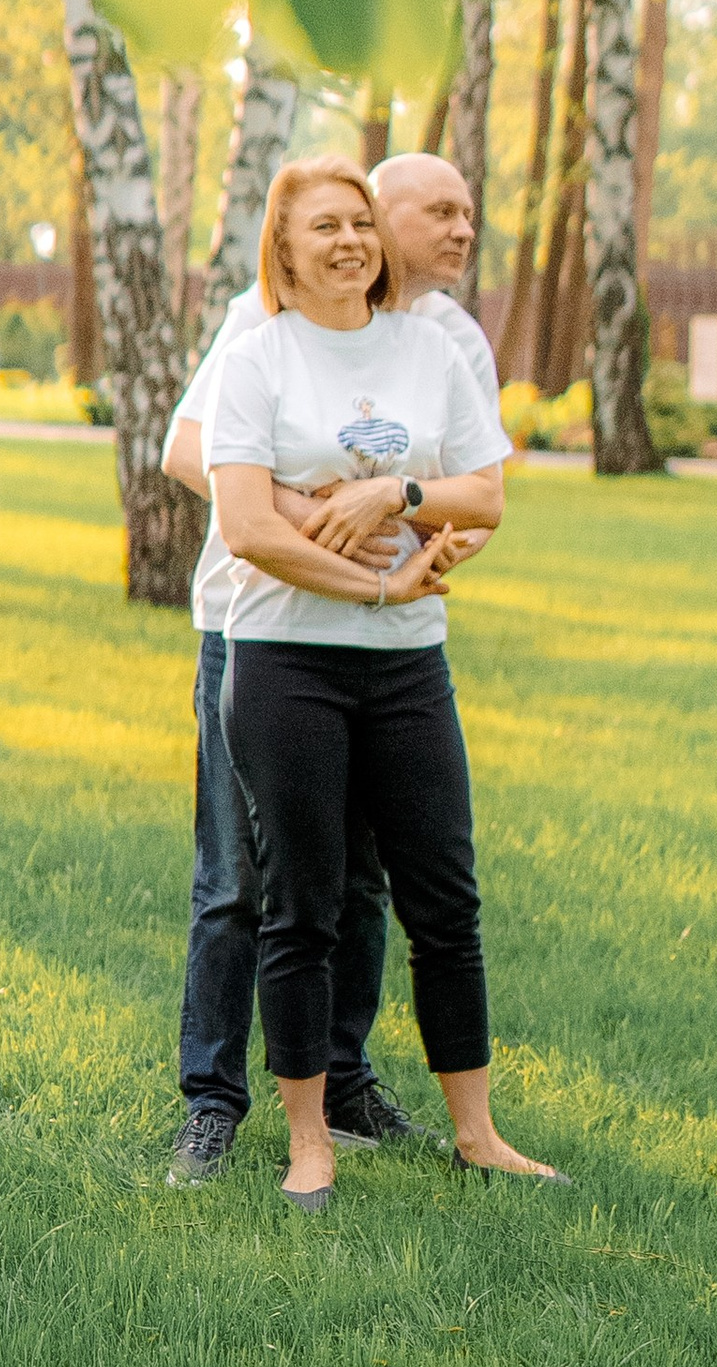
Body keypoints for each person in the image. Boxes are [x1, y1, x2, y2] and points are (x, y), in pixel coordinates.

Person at [203, 154, 562, 1207]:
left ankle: (478, 1134)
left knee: (445, 901)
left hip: (409, 674)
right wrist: (378, 588)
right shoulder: (257, 356)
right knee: (303, 905)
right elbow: (247, 528)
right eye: (325, 226)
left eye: (360, 221)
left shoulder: (432, 347)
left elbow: (483, 496)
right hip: (285, 664)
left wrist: (396, 504)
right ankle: (309, 1140)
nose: (351, 241)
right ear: (285, 247)